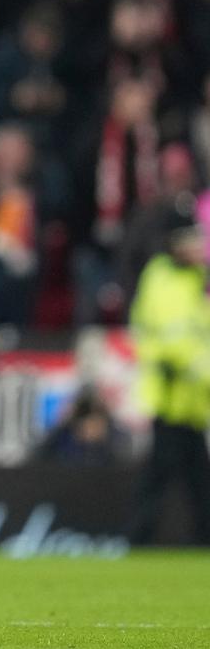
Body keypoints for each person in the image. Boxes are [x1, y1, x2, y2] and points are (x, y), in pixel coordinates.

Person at [127, 200, 210, 545]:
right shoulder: (162, 278)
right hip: (171, 396)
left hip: (193, 402)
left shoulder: (195, 281)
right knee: (164, 476)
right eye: (193, 239)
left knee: (196, 479)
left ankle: (200, 539)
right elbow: (171, 338)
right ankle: (137, 539)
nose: (199, 247)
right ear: (176, 242)